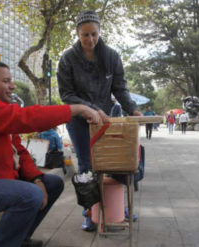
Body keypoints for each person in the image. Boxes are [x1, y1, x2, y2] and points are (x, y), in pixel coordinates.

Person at [0, 61, 101, 247]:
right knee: (29, 196)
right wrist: (77, 109)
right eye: (6, 81)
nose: (12, 86)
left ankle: (20, 239)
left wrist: (37, 180)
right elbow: (25, 118)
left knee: (53, 183)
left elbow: (19, 150)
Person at [57, 10, 142, 231]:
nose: (90, 39)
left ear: (99, 32)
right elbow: (66, 95)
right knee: (86, 165)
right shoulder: (67, 59)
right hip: (78, 119)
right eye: (85, 35)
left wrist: (132, 108)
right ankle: (89, 211)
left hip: (105, 120)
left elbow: (120, 88)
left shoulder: (112, 56)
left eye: (94, 34)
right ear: (77, 33)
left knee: (114, 161)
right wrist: (90, 109)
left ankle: (116, 207)